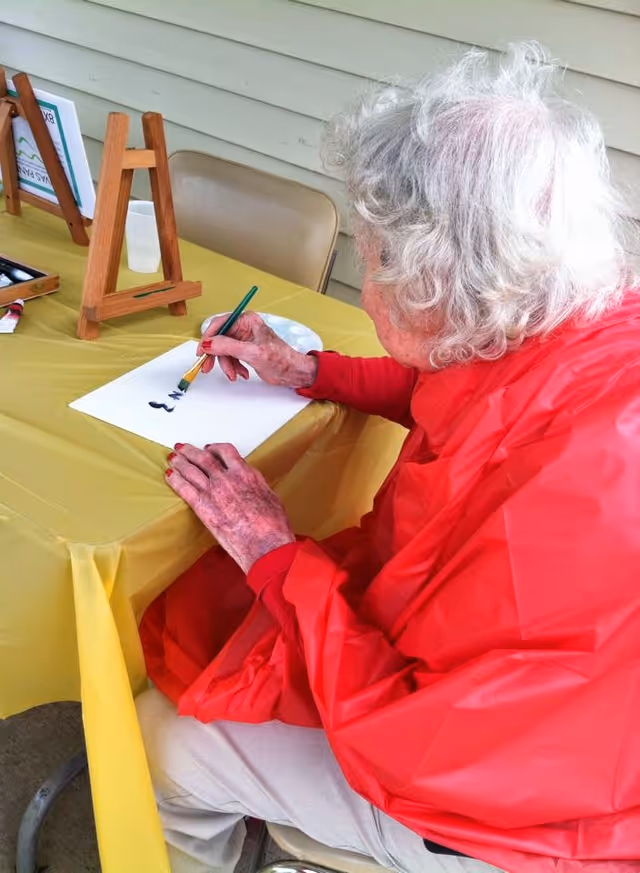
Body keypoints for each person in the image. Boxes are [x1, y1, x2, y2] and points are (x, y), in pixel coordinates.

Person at [136, 43, 640, 873]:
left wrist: (274, 553)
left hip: (513, 824)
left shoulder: (558, 519)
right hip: (539, 754)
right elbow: (475, 394)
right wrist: (312, 370)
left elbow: (406, 735)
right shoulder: (577, 314)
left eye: (367, 255)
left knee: (161, 741)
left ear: (441, 282)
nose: (361, 281)